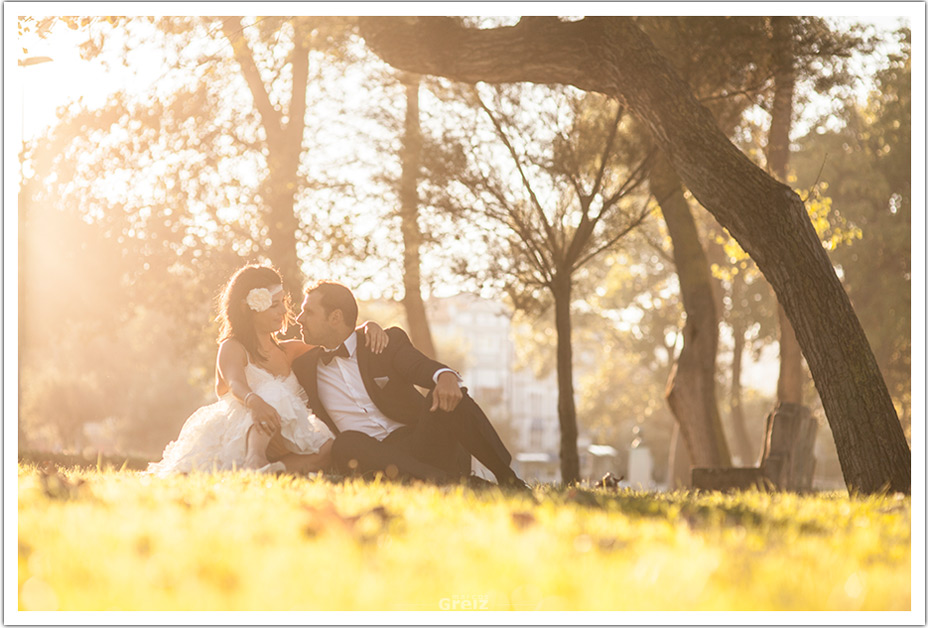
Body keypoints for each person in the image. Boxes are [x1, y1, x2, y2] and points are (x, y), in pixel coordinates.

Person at [147, 265, 389, 475]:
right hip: (243, 428)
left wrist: (367, 326)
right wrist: (255, 402)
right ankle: (254, 458)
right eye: (274, 305)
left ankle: (271, 472)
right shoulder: (232, 347)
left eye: (283, 303)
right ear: (248, 308)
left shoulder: (288, 350)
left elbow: (335, 338)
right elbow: (235, 383)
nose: (283, 312)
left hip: (283, 437)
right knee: (272, 390)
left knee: (328, 446)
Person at [292, 280, 529, 490]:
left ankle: (510, 480)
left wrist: (444, 375)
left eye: (308, 312)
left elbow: (418, 366)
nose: (299, 319)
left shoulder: (384, 343)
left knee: (451, 397)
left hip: (423, 442)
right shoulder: (303, 366)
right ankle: (453, 482)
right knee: (346, 443)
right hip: (375, 458)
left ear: (335, 317)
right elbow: (264, 350)